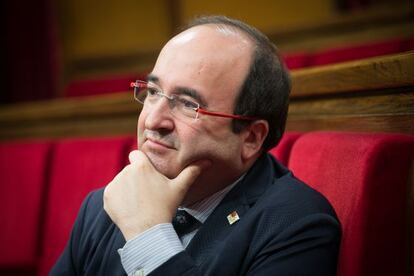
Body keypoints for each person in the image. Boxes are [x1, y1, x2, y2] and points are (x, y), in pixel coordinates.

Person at [51, 15, 341, 275]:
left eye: (189, 104)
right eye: (153, 92)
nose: (153, 120)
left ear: (250, 137)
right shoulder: (102, 207)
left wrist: (148, 235)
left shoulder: (295, 223)